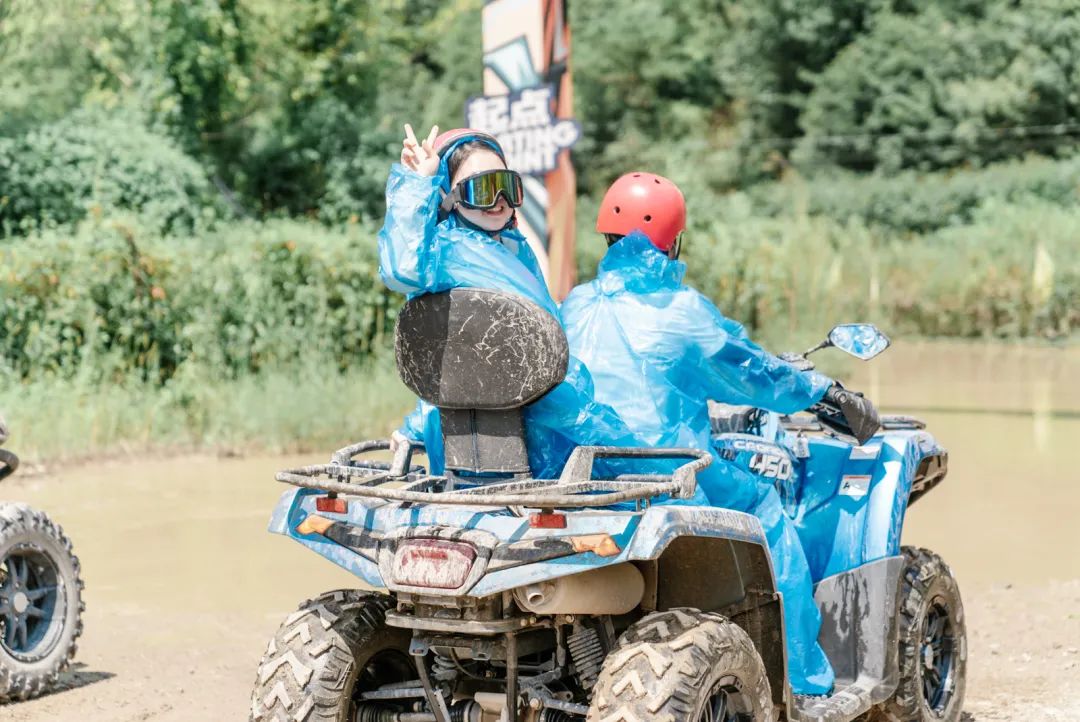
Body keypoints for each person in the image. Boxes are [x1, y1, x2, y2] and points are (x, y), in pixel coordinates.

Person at [560, 171, 877, 695]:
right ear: (673, 239)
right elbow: (751, 370)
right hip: (668, 470)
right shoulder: (679, 310)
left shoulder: (575, 303)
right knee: (765, 508)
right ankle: (802, 680)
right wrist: (823, 392)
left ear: (606, 236)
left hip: (585, 474)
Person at [378, 126, 662, 484]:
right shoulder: (444, 253)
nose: (498, 200)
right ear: (449, 196)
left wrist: (415, 426)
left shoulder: (512, 249)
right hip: (547, 440)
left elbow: (463, 355)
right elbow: (402, 269)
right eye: (483, 188)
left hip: (484, 442)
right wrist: (418, 183)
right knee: (663, 479)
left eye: (507, 186)